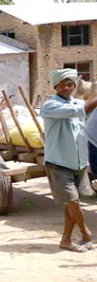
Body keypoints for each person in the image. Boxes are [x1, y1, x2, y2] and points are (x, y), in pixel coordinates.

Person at [40, 68, 96, 253]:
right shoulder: (50, 106)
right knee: (73, 201)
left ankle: (65, 240)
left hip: (79, 162)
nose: (66, 87)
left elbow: (88, 122)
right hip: (59, 162)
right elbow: (83, 109)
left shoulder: (78, 102)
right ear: (55, 86)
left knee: (70, 204)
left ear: (74, 86)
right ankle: (85, 232)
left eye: (69, 84)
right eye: (62, 84)